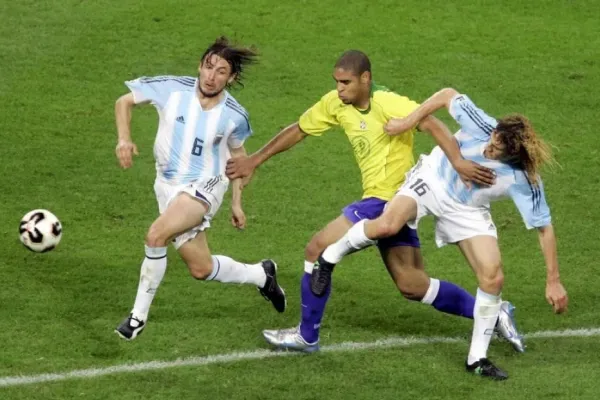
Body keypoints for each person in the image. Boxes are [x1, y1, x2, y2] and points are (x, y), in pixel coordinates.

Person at [226, 50, 524, 354]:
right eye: (337, 82)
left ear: (365, 79)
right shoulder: (336, 103)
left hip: (391, 197)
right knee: (412, 285)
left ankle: (306, 336)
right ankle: (492, 312)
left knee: (317, 249)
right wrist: (255, 160)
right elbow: (300, 129)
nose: (339, 88)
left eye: (346, 82)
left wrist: (458, 162)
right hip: (393, 205)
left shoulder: (388, 103)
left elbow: (432, 124)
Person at [315, 87, 569, 379]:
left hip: (467, 209)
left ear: (513, 154)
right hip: (434, 178)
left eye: (496, 150)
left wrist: (554, 281)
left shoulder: (525, 179)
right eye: (492, 141)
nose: (489, 148)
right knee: (387, 225)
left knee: (493, 275)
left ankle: (477, 359)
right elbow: (446, 94)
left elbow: (544, 228)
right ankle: (329, 258)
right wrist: (407, 121)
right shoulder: (484, 125)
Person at [113, 37, 286, 341]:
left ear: (231, 78)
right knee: (201, 268)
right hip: (167, 187)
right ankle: (262, 275)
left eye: (221, 71)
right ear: (200, 65)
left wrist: (236, 201)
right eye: (208, 66)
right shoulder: (172, 88)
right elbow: (123, 101)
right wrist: (124, 139)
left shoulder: (235, 115)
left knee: (156, 235)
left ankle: (137, 318)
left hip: (206, 185)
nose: (211, 75)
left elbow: (239, 159)